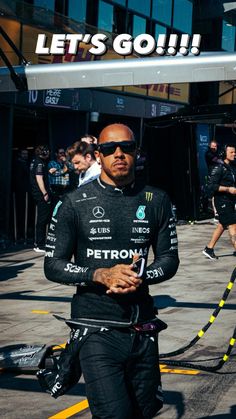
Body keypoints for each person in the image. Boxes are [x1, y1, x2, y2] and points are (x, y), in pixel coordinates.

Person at [44, 123, 179, 418]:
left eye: (126, 148)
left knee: (144, 412)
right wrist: (99, 274)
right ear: (99, 155)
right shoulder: (72, 203)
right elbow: (52, 265)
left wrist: (141, 276)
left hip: (142, 327)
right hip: (95, 328)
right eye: (109, 149)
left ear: (137, 153)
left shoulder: (157, 200)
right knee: (114, 414)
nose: (119, 154)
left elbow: (169, 259)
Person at [204, 144, 236, 257]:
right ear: (224, 154)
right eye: (231, 152)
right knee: (233, 225)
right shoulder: (218, 167)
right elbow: (210, 186)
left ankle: (209, 248)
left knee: (222, 224)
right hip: (222, 201)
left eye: (235, 152)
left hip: (230, 201)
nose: (234, 154)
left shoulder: (230, 167)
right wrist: (228, 189)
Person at [202, 140, 224, 260]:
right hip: (212, 176)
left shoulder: (218, 154)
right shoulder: (209, 154)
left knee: (226, 225)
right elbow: (217, 160)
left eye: (216, 147)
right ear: (210, 147)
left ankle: (209, 248)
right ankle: (216, 213)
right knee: (214, 194)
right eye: (213, 147)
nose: (214, 148)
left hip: (219, 175)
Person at [30, 144, 52, 252]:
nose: (48, 153)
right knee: (42, 219)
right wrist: (44, 193)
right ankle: (39, 244)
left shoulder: (36, 161)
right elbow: (39, 178)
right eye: (46, 151)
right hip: (40, 193)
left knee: (43, 218)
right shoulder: (39, 163)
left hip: (37, 193)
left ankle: (39, 242)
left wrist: (48, 172)